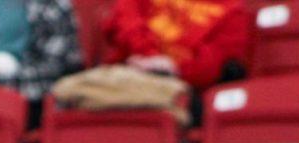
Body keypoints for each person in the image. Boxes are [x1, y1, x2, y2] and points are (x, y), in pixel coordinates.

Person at [101, 0, 250, 91]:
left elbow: (211, 65)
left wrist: (170, 70)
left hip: (184, 90)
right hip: (128, 79)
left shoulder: (233, 9)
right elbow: (124, 24)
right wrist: (150, 55)